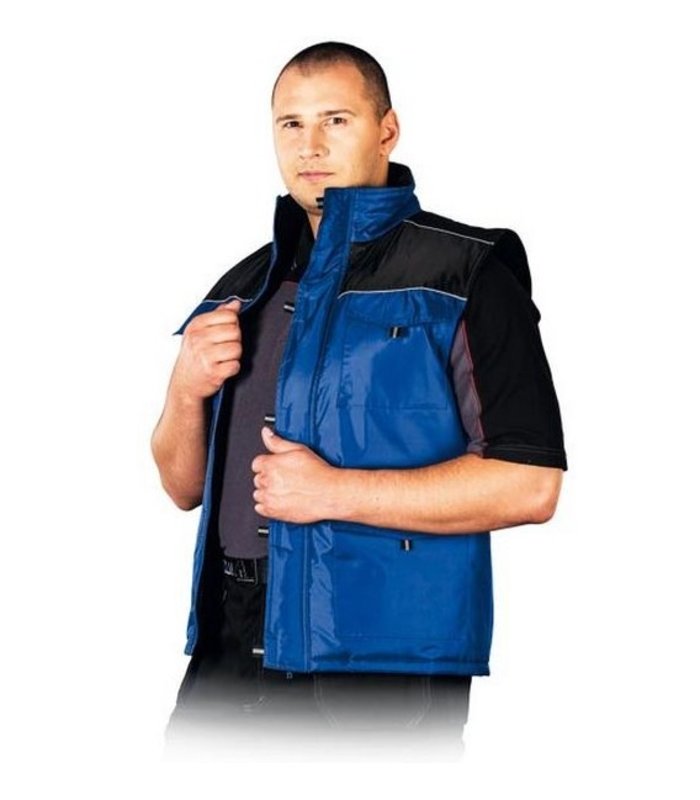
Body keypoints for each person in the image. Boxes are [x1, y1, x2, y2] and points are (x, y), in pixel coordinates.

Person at [151, 41, 567, 759]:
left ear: (387, 130)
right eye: (290, 124)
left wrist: (333, 493)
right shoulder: (242, 287)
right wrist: (185, 387)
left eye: (335, 120)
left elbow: (531, 485)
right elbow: (182, 486)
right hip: (228, 649)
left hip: (376, 669)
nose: (309, 146)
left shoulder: (466, 272)